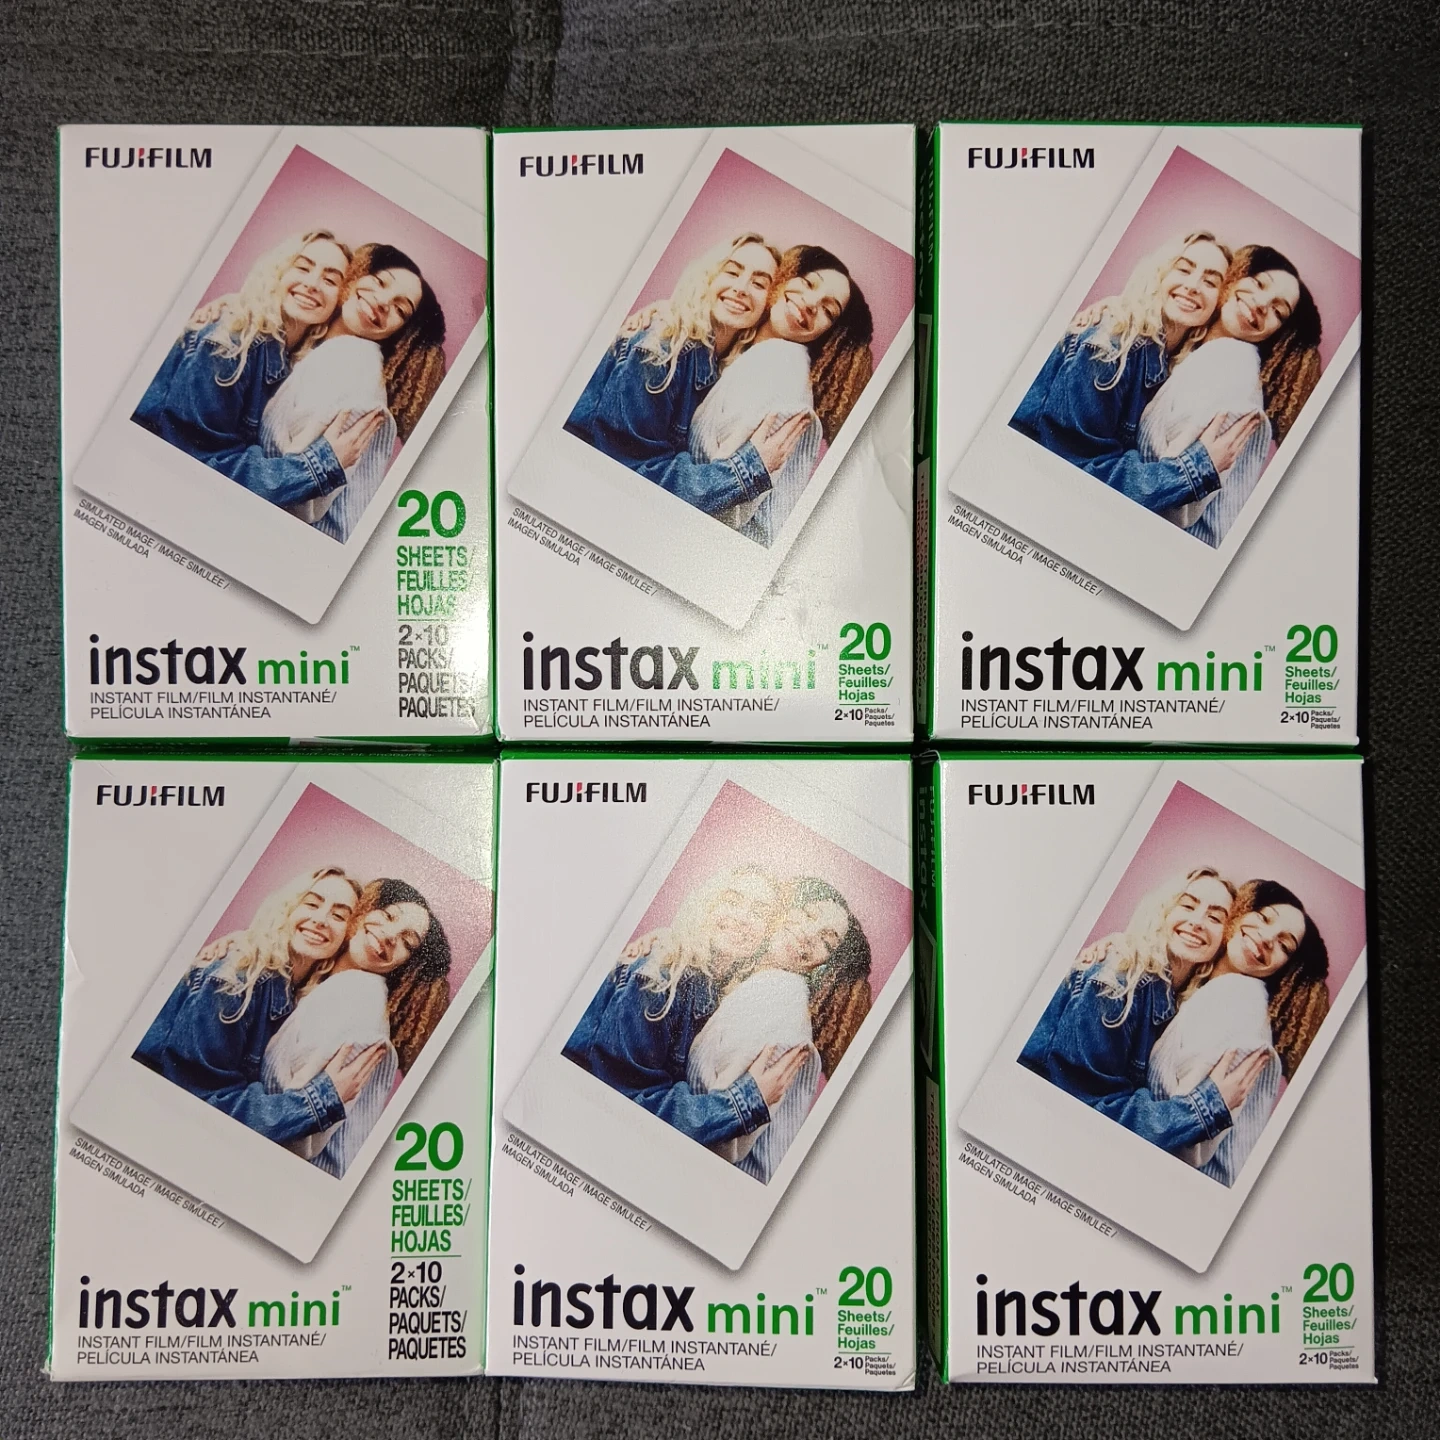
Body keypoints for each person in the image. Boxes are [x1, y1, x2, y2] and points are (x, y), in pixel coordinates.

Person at [1019, 867, 1270, 1154]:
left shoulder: (1185, 1002)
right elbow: (1086, 1110)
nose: (1198, 922)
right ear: (1163, 911)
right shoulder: (1115, 982)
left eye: (1215, 917)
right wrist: (1208, 1106)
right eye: (1187, 905)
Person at [1010, 231, 1262, 514]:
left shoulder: (1181, 363)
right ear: (1160, 274)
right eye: (1183, 269)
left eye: (1210, 282)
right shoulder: (1109, 345)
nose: (1193, 286)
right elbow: (1076, 470)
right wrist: (1197, 468)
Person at [133, 230, 387, 509]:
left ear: (339, 301)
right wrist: (322, 464)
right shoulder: (230, 344)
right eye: (303, 267)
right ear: (278, 273)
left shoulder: (297, 359)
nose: (312, 284)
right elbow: (199, 464)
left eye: (330, 280)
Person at [135, 866, 388, 1144]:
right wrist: (323, 1098)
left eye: (339, 916)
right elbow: (202, 1103)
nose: (321, 920)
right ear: (288, 909)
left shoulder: (305, 993)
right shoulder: (235, 979)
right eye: (311, 904)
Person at [563, 233, 812, 516]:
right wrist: (750, 468)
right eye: (732, 272)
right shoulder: (660, 348)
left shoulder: (729, 369)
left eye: (759, 283)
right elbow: (631, 475)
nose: (741, 288)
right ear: (708, 278)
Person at [562, 866, 811, 1147]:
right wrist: (748, 1100)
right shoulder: (659, 978)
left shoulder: (729, 989)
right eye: (731, 900)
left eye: (760, 912)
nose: (743, 918)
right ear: (706, 905)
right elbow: (626, 1103)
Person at [262, 878, 452, 1177]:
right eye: (389, 916)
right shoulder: (321, 977)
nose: (389, 935)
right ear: (366, 909)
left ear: (407, 966)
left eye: (407, 942)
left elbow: (294, 1135)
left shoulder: (359, 1003)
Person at [689, 245, 875, 546]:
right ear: (785, 277)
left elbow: (724, 507)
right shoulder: (746, 350)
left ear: (828, 335)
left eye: (828, 310)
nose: (811, 303)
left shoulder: (782, 370)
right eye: (809, 283)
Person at [1148, 879, 1330, 1185]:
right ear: (1240, 912)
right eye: (1265, 918)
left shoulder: (1240, 1005)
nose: (1267, 938)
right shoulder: (1205, 986)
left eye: (1285, 945)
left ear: (1285, 970)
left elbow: (1183, 1143)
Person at [1141, 245, 1324, 547]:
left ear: (1277, 335)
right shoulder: (1197, 349)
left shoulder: (1233, 372)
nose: (1262, 303)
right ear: (1235, 278)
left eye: (1278, 311)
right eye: (1260, 283)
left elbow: (1173, 503)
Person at [264, 243, 448, 542]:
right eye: (380, 282)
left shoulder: (354, 370)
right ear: (355, 277)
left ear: (400, 334)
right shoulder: (318, 347)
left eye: (400, 309)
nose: (382, 301)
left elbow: (297, 499)